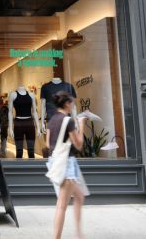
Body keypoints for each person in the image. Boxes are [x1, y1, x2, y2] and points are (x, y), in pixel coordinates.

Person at [46, 92, 88, 239]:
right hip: (67, 164)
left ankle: (78, 233)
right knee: (62, 205)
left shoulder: (51, 121)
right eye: (72, 103)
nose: (73, 105)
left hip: (56, 162)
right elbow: (79, 145)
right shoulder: (68, 121)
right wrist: (81, 126)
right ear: (66, 104)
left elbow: (47, 145)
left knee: (79, 196)